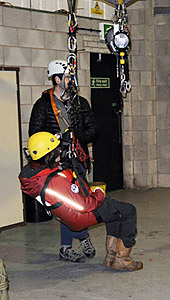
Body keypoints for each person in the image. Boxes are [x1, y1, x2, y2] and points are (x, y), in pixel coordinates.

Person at [19, 132, 143, 271]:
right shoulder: (55, 182)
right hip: (80, 216)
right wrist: (98, 194)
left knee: (114, 210)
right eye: (57, 153)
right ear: (49, 156)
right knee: (128, 211)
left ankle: (111, 256)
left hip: (69, 214)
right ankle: (122, 259)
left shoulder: (35, 175)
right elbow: (83, 205)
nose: (60, 155)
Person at [29, 60, 97, 263]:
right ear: (57, 79)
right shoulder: (43, 105)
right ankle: (67, 247)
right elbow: (35, 134)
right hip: (56, 163)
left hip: (77, 160)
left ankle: (83, 236)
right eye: (67, 77)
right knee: (65, 205)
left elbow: (93, 129)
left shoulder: (80, 103)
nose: (71, 81)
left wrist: (77, 136)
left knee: (81, 202)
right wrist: (55, 145)